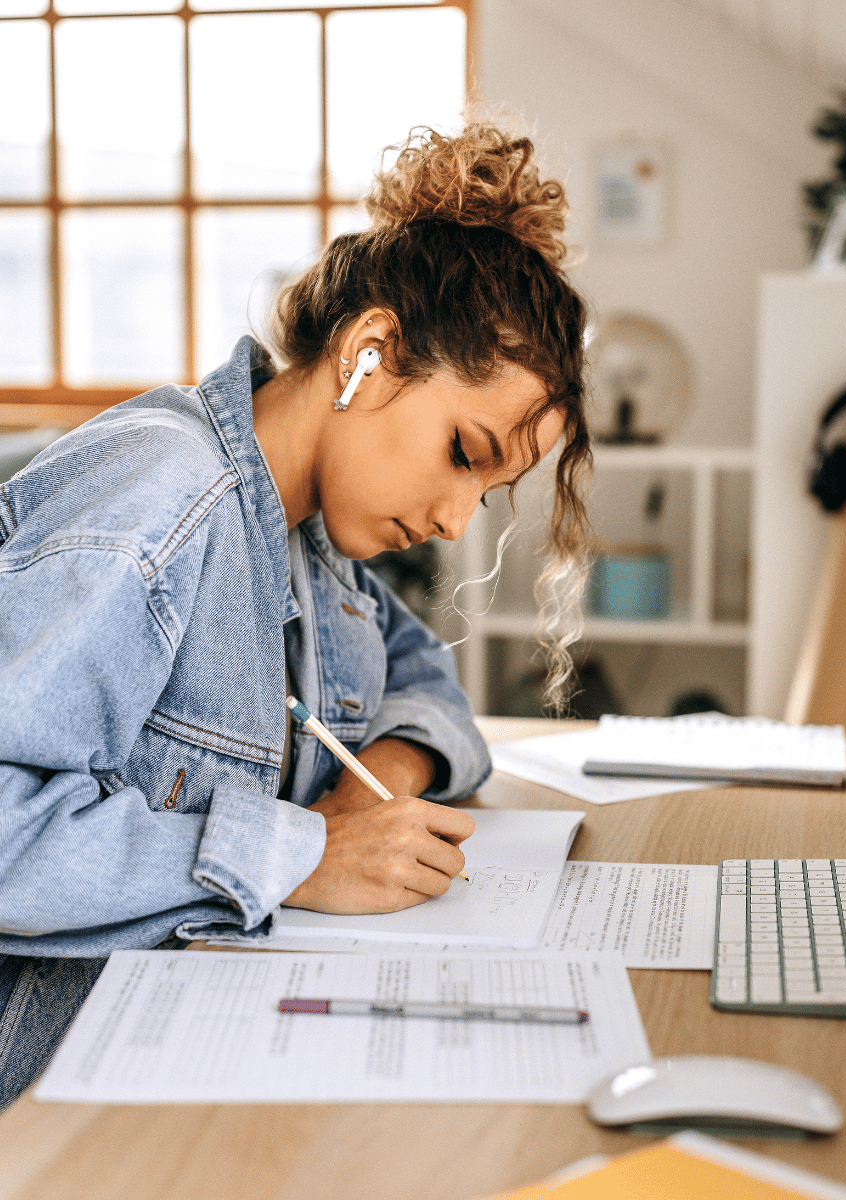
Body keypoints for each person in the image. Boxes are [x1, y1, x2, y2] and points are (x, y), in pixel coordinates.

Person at [0, 124, 591, 1106]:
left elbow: (425, 687)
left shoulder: (312, 537)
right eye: (462, 452)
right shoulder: (163, 495)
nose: (454, 517)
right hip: (48, 1093)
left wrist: (379, 792)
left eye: (487, 492)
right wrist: (302, 850)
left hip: (189, 1027)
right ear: (369, 353)